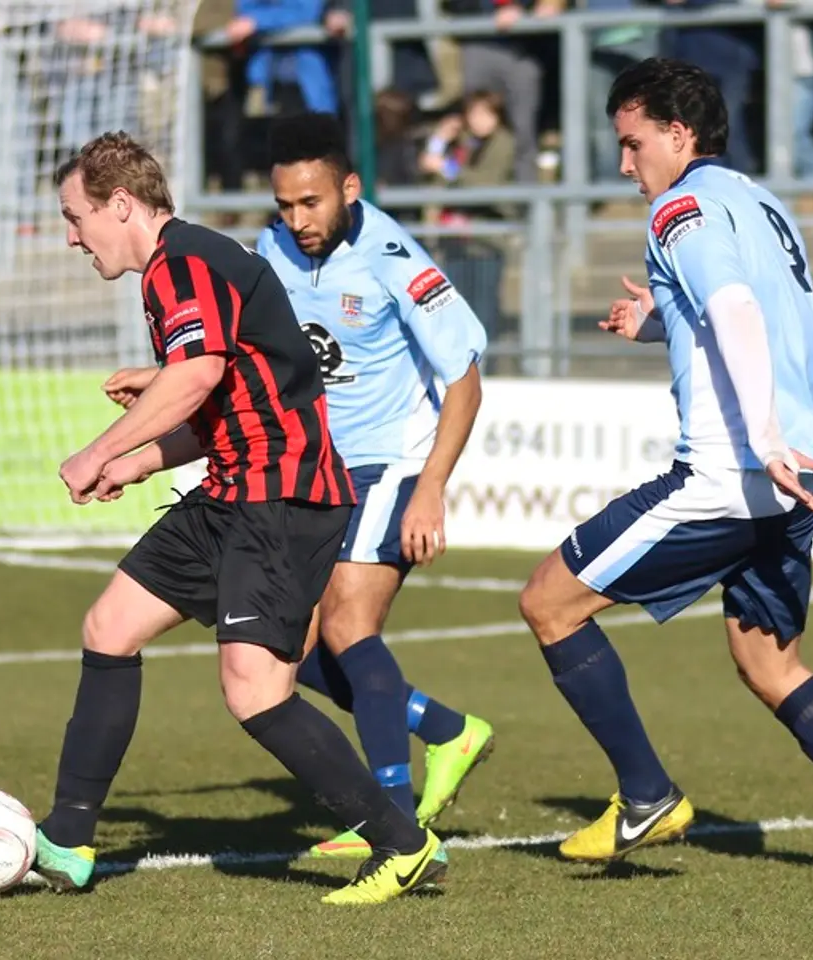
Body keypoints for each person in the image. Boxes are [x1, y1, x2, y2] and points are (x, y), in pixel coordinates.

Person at [35, 131, 446, 904]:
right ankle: (68, 838)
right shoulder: (180, 265)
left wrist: (97, 451)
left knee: (255, 691)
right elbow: (221, 401)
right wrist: (133, 465)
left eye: (74, 217)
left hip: (282, 497)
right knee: (110, 627)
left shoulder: (185, 263)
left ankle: (401, 843)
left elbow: (196, 376)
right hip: (233, 488)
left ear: (119, 204)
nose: (71, 237)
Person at [518, 57, 813, 863]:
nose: (626, 165)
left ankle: (647, 795)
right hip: (800, 471)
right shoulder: (759, 202)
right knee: (770, 665)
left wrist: (762, 439)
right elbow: (759, 312)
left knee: (550, 603)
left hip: (734, 472)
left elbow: (735, 307)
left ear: (679, 135)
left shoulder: (679, 207)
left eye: (633, 143)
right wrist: (658, 320)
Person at [258, 111, 494, 859]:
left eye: (312, 203)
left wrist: (431, 488)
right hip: (316, 467)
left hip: (392, 461)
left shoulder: (395, 259)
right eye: (285, 205)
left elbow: (464, 380)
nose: (298, 221)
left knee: (349, 627)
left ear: (349, 188)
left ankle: (393, 823)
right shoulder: (270, 248)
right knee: (278, 651)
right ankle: (446, 730)